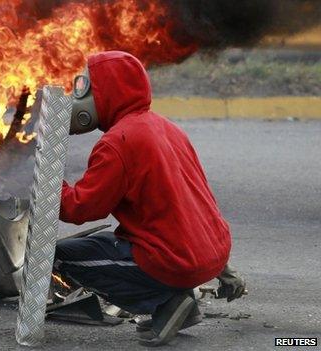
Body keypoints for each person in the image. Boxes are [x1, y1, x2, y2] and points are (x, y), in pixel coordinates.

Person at [54, 51, 245, 347]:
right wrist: (224, 268)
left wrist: (48, 179)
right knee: (105, 242)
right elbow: (196, 204)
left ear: (107, 91)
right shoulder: (167, 127)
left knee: (62, 257)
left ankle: (165, 302)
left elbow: (80, 207)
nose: (79, 96)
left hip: (173, 262)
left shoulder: (117, 143)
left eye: (85, 88)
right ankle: (176, 298)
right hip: (209, 253)